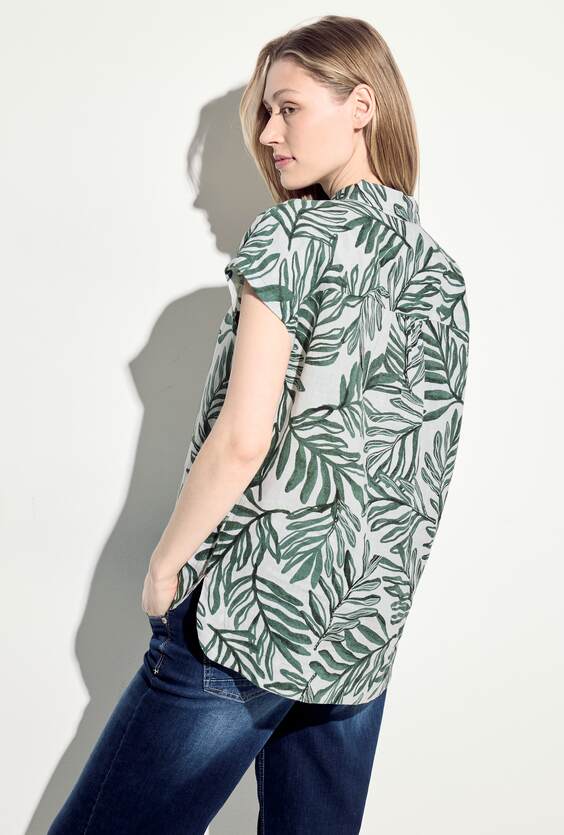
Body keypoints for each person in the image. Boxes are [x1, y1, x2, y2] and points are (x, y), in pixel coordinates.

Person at [48, 14, 470, 835]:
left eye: (289, 108)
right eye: (265, 115)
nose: (270, 135)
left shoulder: (289, 235)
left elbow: (244, 437)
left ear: (362, 106)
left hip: (253, 610)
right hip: (360, 627)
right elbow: (421, 472)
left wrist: (166, 566)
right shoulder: (441, 274)